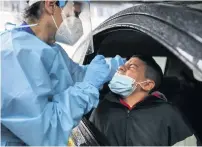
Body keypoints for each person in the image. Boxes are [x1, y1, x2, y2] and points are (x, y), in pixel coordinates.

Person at [1, 0, 125, 146]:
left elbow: (74, 76)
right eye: (75, 13)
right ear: (51, 5)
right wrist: (89, 85)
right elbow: (46, 131)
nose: (77, 21)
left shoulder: (47, 48)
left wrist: (111, 68)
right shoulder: (14, 54)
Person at [90, 55, 199, 146]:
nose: (121, 68)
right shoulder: (101, 108)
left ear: (147, 85)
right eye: (123, 65)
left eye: (131, 66)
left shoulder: (168, 114)